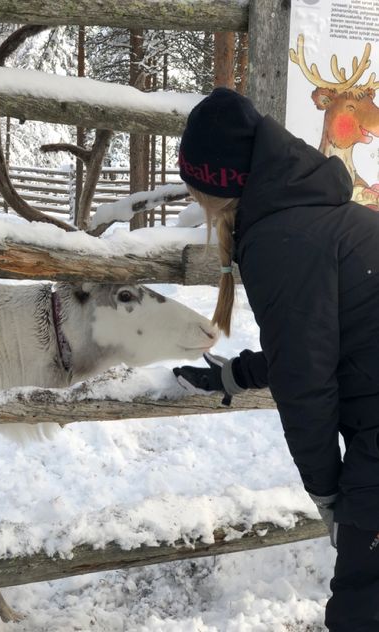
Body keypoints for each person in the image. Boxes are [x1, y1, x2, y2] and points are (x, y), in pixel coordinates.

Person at [173, 87, 379, 632]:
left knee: (362, 611)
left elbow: (305, 382)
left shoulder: (280, 238)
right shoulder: (312, 216)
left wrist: (330, 494)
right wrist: (236, 373)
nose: (197, 205)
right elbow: (315, 342)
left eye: (197, 192)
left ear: (218, 185)